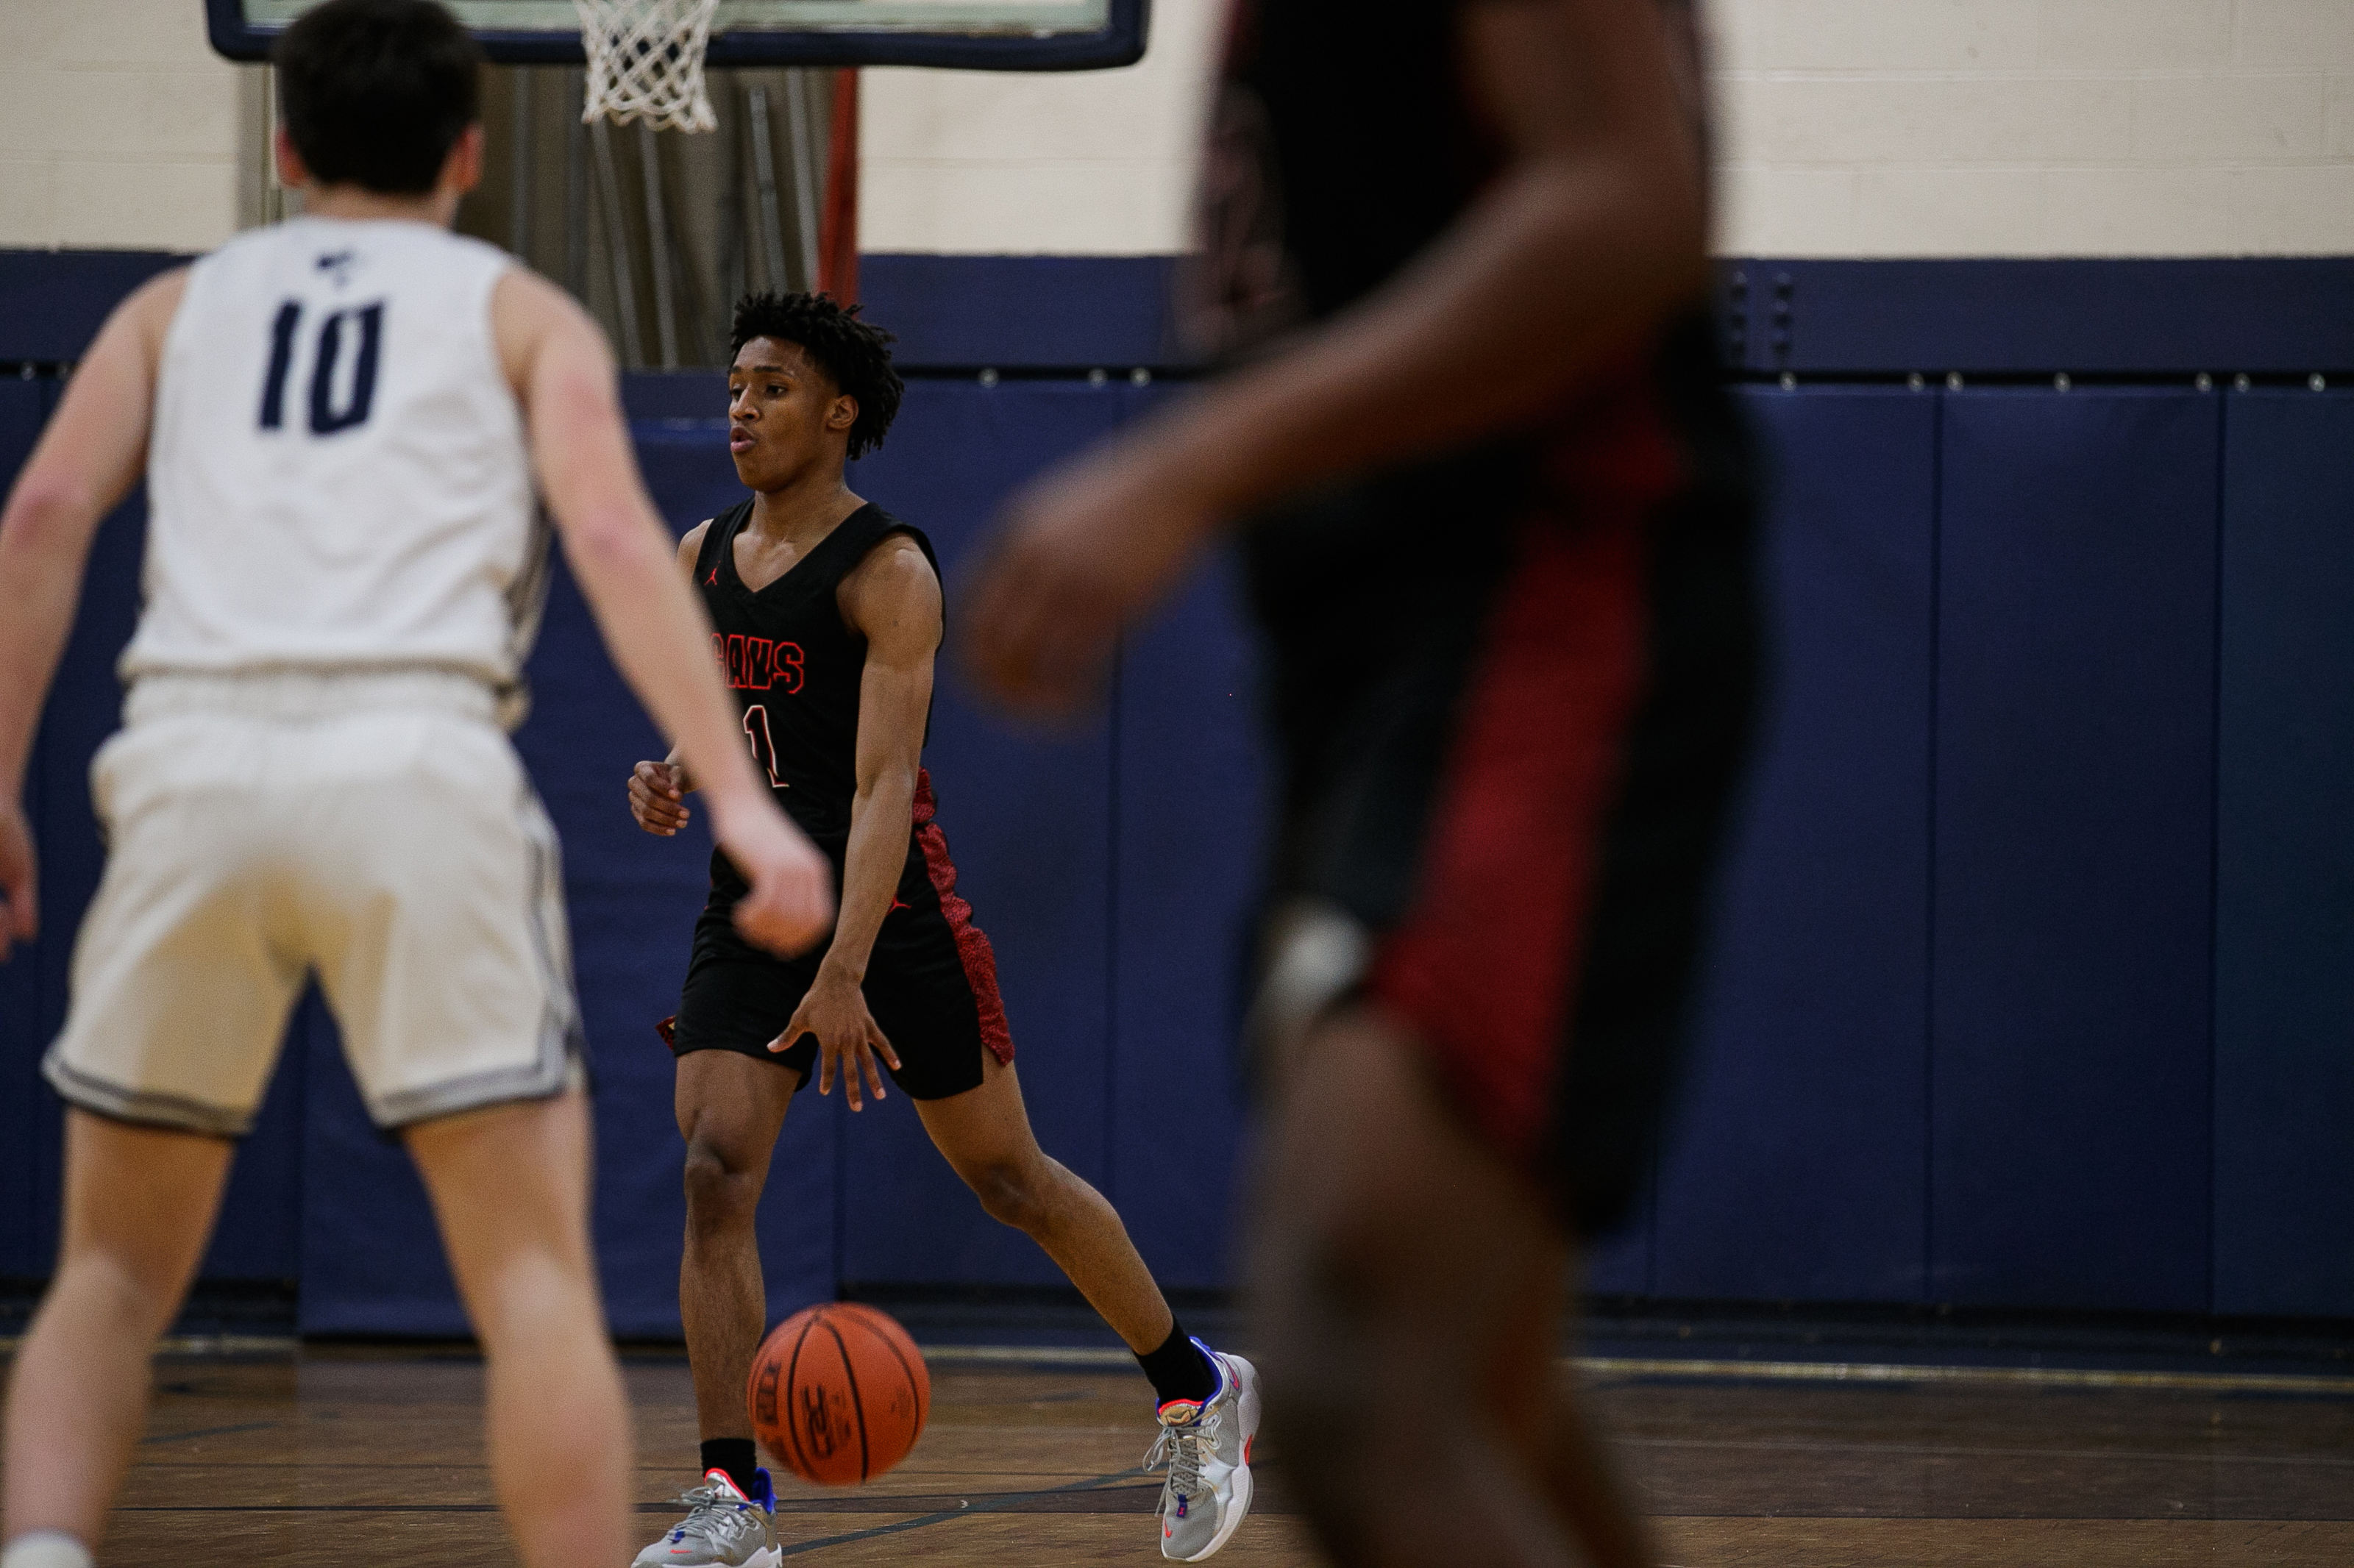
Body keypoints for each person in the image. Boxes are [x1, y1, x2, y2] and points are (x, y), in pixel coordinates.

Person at [0, 4, 833, 1567]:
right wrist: (736, 794)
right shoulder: (519, 313)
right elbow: (605, 541)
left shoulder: (174, 310)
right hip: (416, 767)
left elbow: (43, 508)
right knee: (527, 1283)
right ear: (468, 152)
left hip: (186, 765)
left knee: (107, 1272)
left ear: (282, 147)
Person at [961, 1, 1760, 1565]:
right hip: (1370, 671)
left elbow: (1631, 196)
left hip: (1542, 607)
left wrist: (1191, 461)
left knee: (1353, 1375)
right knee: (1476, 1388)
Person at [623, 291, 1257, 1567]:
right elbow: (729, 712)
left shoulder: (888, 573)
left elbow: (879, 788)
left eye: (774, 387)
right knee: (712, 1172)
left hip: (893, 915)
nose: (741, 406)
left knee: (1009, 1179)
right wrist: (677, 767)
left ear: (838, 412)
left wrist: (850, 963)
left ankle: (1196, 1387)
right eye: (736, 384)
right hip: (753, 912)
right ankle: (733, 1500)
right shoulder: (699, 553)